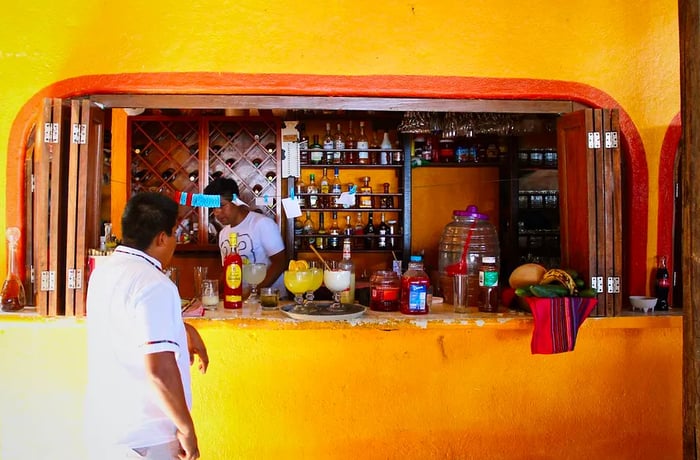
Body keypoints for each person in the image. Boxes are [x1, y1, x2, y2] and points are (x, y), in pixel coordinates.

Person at [85, 192, 209, 460]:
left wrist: (182, 330)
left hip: (109, 428)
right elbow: (160, 371)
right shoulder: (156, 284)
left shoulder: (104, 271)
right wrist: (187, 429)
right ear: (161, 238)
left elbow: (126, 323)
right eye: (174, 233)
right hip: (147, 438)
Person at [203, 177, 286, 296]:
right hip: (240, 303)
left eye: (221, 206)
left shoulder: (262, 224)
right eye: (213, 208)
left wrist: (253, 293)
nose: (217, 212)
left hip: (270, 300)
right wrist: (214, 293)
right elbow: (227, 271)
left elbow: (280, 263)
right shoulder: (223, 234)